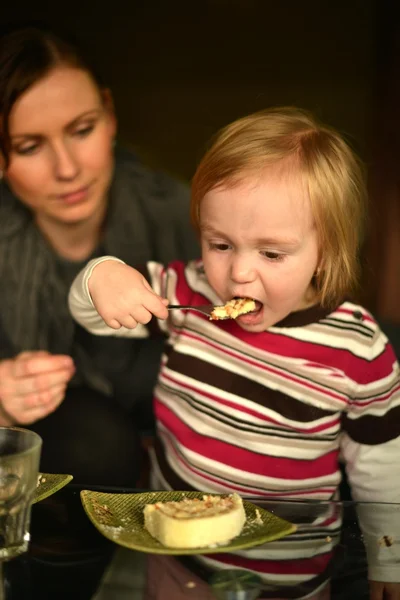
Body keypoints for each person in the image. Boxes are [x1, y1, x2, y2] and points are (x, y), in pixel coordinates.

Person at [70, 107, 400, 599]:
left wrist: (388, 557)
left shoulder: (358, 348)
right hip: (175, 560)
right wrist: (101, 276)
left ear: (325, 252)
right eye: (220, 244)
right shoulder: (187, 292)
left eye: (271, 253)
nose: (239, 274)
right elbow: (96, 315)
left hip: (289, 579)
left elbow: (382, 466)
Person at [0, 25, 199, 487]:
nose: (67, 169)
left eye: (82, 130)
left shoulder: (181, 217)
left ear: (110, 115)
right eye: (30, 147)